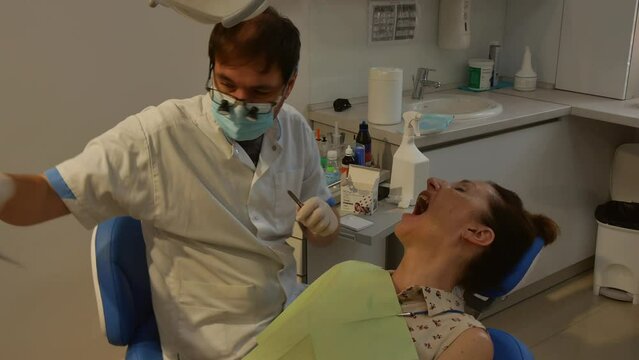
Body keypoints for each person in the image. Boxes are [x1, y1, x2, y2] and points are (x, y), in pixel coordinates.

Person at [0, 7, 339, 360]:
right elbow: (43, 196)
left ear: (289, 85)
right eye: (226, 84)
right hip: (214, 342)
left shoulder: (296, 129)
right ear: (212, 69)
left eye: (258, 93)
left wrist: (326, 225)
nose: (239, 105)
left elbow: (325, 232)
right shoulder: (157, 138)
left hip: (286, 313)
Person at [246, 177, 559, 359]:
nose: (435, 181)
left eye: (461, 190)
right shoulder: (349, 274)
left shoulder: (462, 340)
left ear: (477, 234)